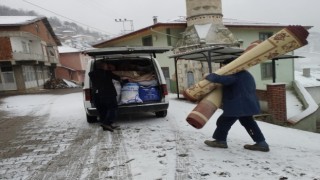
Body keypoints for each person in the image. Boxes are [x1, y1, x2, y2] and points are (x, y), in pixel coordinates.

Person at [203, 58, 270, 152]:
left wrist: (209, 75)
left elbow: (220, 79)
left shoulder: (235, 75)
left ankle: (220, 141)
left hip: (238, 105)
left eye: (224, 66)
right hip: (246, 104)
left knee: (223, 121)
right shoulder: (246, 74)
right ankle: (261, 143)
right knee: (249, 123)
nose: (223, 69)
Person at [89, 61, 125, 132]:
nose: (107, 67)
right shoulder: (107, 73)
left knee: (103, 110)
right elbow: (118, 78)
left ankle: (106, 125)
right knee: (113, 108)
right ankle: (107, 123)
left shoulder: (91, 74)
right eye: (106, 65)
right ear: (102, 66)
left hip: (97, 95)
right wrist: (125, 80)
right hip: (108, 94)